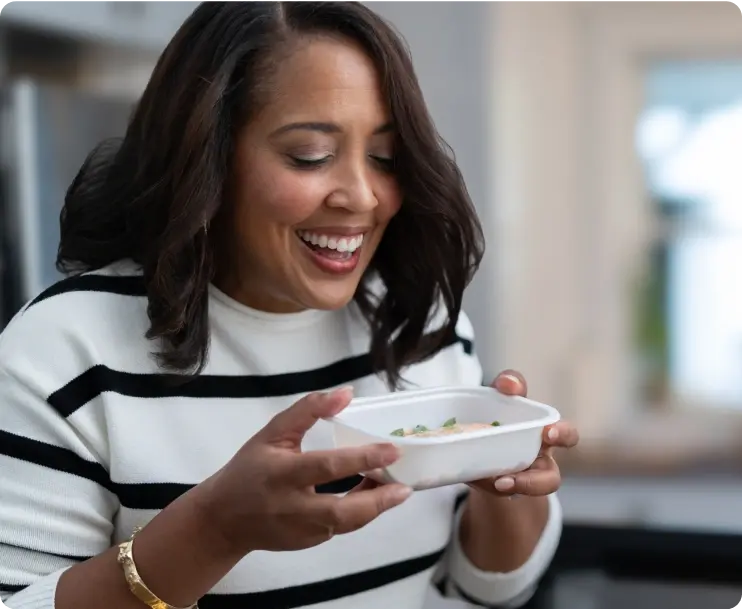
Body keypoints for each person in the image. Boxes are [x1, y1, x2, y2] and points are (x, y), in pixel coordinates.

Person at [0, 1, 579, 608]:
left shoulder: (419, 319)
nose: (361, 195)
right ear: (208, 156)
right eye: (310, 155)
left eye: (384, 157)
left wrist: (505, 485)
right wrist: (214, 529)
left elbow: (487, 588)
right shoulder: (64, 354)